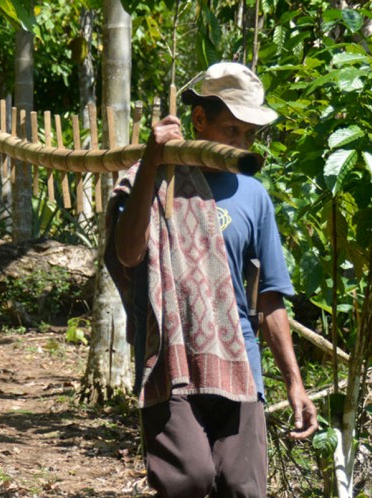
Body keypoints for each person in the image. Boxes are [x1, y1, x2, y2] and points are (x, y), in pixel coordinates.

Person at [104, 62, 318, 497]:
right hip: (171, 356)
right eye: (231, 131)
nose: (240, 144)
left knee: (244, 487)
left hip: (239, 362)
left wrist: (295, 382)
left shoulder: (254, 196)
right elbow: (128, 253)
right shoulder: (158, 180)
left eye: (248, 135)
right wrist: (152, 159)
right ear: (199, 121)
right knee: (188, 479)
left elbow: (271, 297)